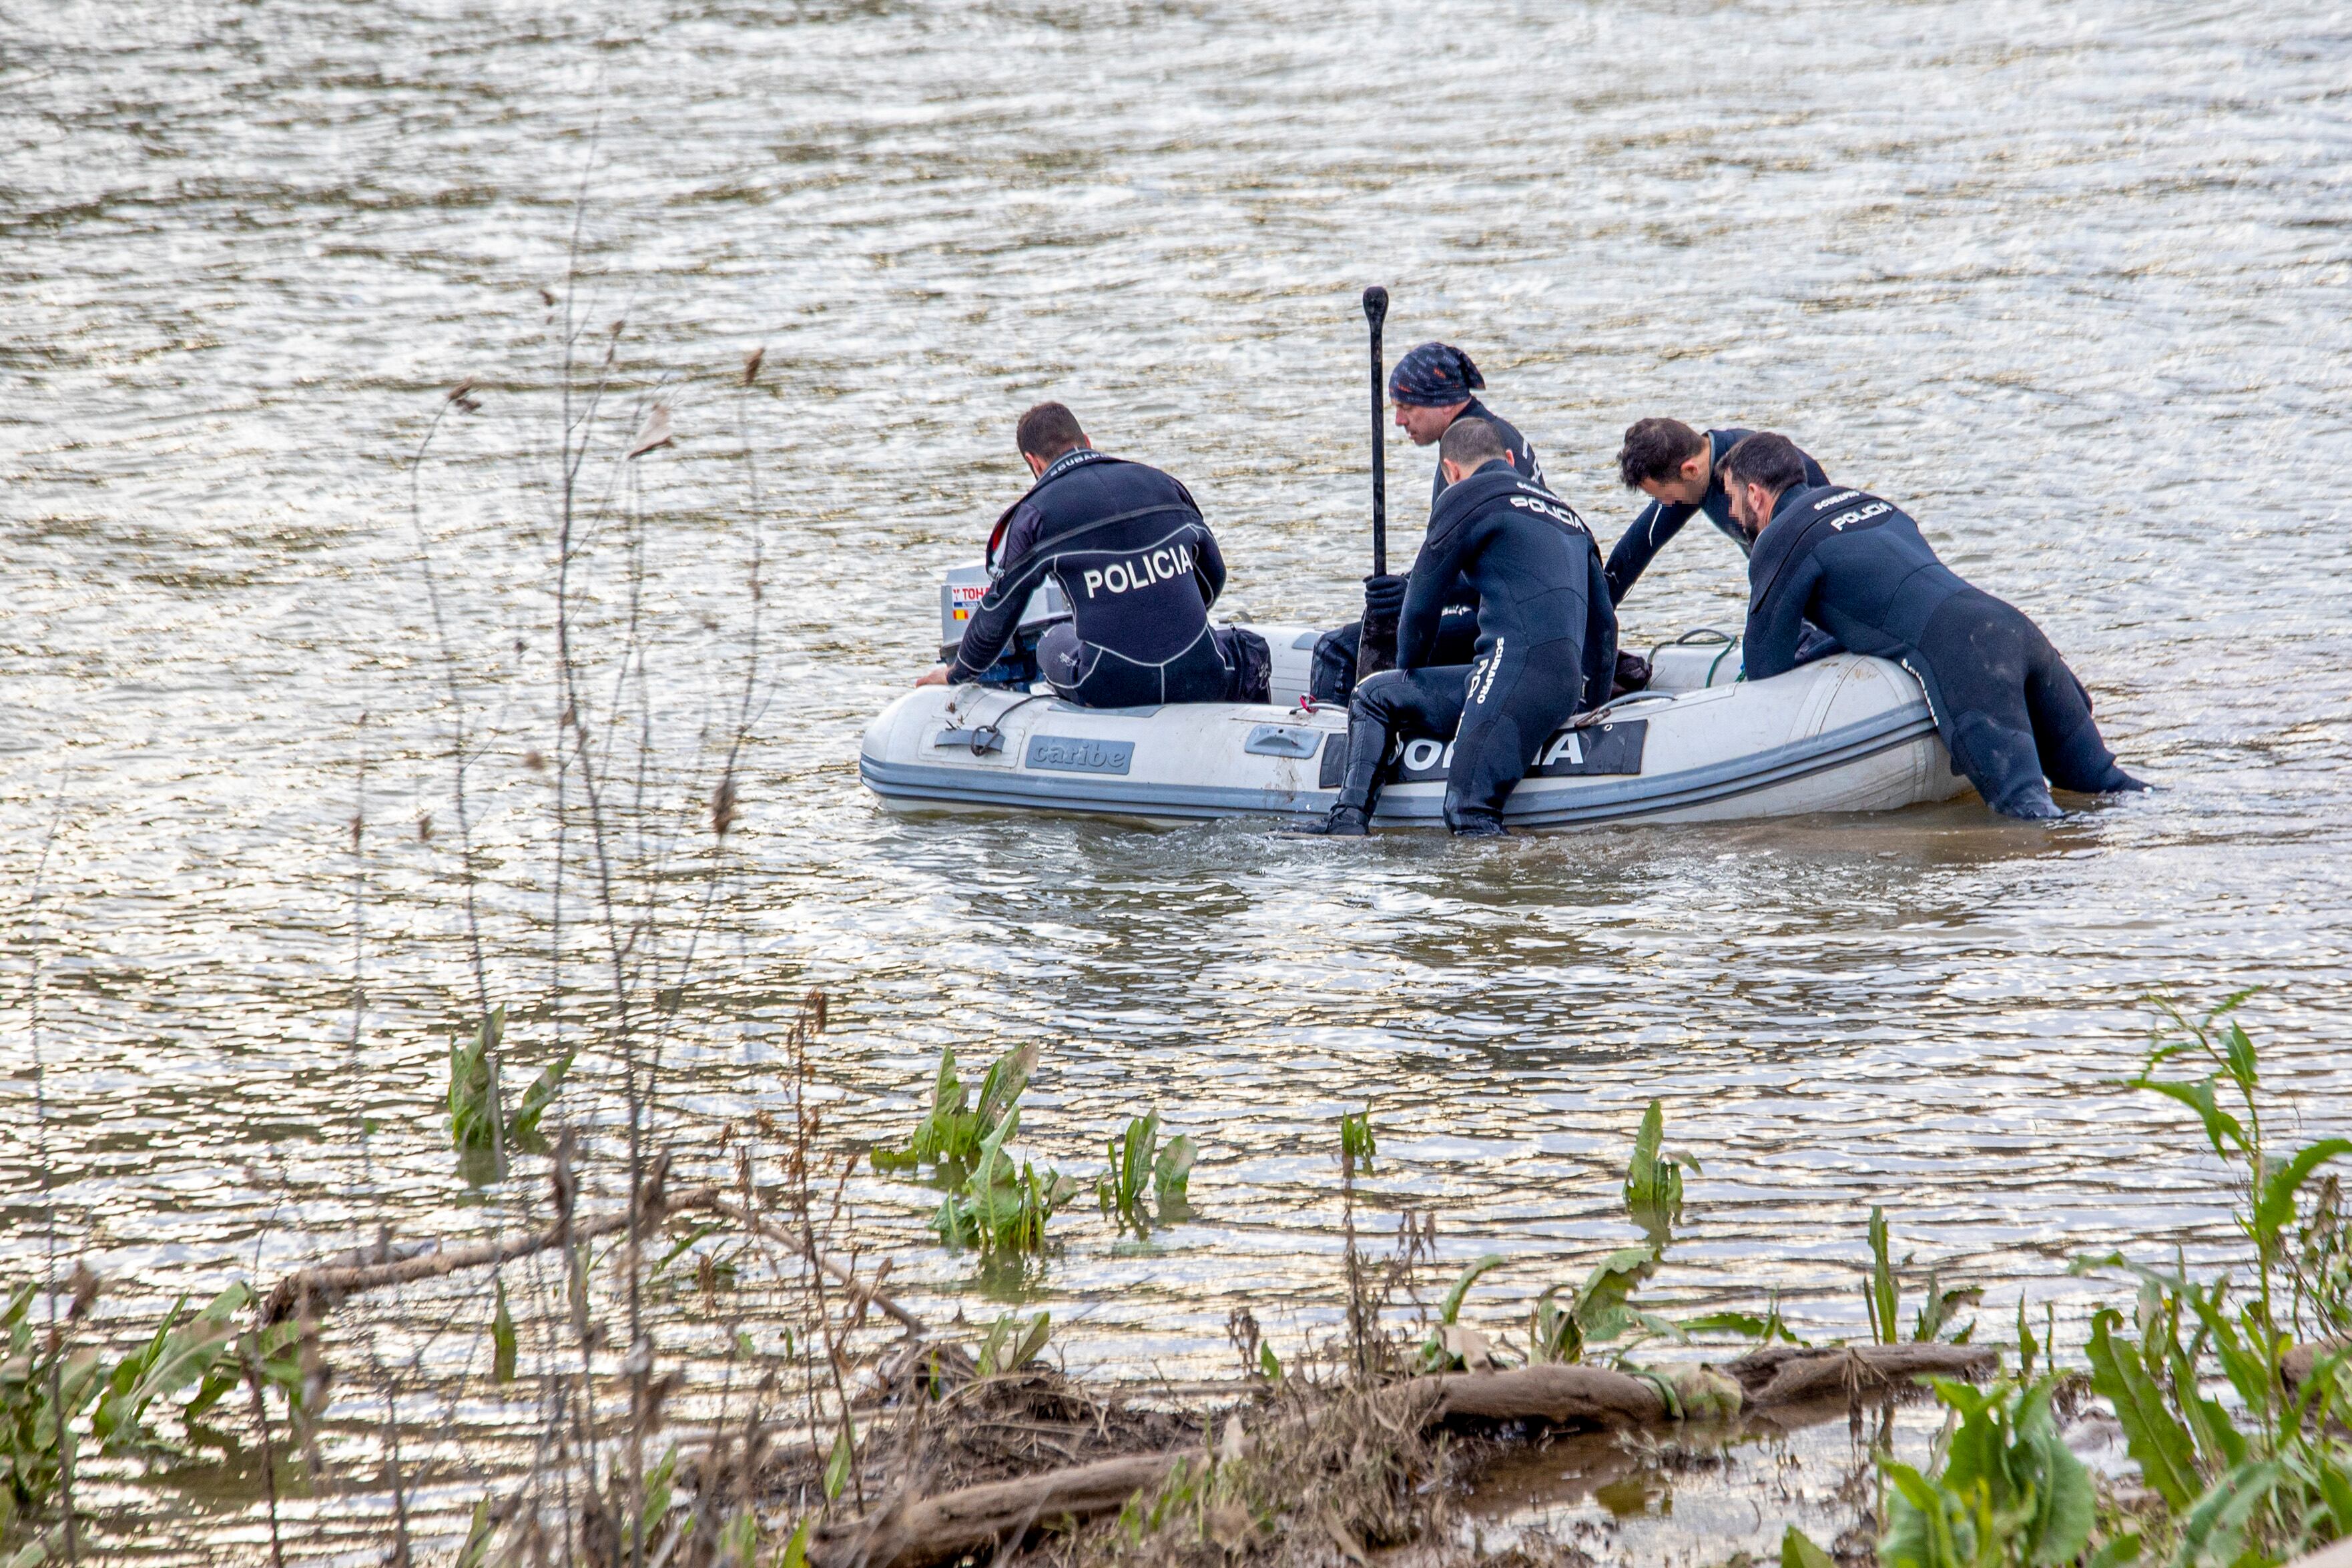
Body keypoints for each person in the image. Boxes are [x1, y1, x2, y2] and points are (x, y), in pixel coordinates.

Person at [1721, 432, 2144, 821]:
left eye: (1732, 498)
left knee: (2028, 814)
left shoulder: (1781, 537)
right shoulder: (1869, 503)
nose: (1732, 513)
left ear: (1755, 495)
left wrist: (1817, 648)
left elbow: (1764, 667)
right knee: (2111, 787)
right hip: (2014, 628)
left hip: (1966, 657)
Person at [1294, 418, 1617, 837]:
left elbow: (1419, 611)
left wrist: (1409, 676)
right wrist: (1588, 702)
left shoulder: (1463, 496)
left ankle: (1350, 823)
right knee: (1379, 698)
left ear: (1450, 471)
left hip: (1511, 674)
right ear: (1507, 459)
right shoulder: (1570, 517)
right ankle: (1348, 824)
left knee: (1467, 809)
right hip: (1561, 684)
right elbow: (1605, 629)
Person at [920, 403, 1267, 707]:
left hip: (1112, 685)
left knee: (1051, 640)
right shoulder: (1162, 483)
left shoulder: (1035, 515)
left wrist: (957, 674)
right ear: (1086, 441)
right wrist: (1161, 613)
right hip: (1203, 672)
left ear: (1032, 462)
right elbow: (1213, 574)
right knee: (1248, 645)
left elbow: (999, 611)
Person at [1307, 342, 1544, 701]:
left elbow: (1511, 565)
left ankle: (1341, 746)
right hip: (1503, 610)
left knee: (1335, 649)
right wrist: (1404, 587)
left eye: (1407, 407)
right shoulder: (1486, 438)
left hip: (1505, 625)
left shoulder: (1479, 451)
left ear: (1446, 402)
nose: (1400, 421)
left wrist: (1415, 593)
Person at [1606, 418, 1827, 605]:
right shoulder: (1691, 477)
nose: (1664, 504)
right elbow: (1635, 549)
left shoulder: (1762, 469)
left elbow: (1819, 552)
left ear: (1690, 470)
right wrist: (1598, 616)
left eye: (1664, 496)